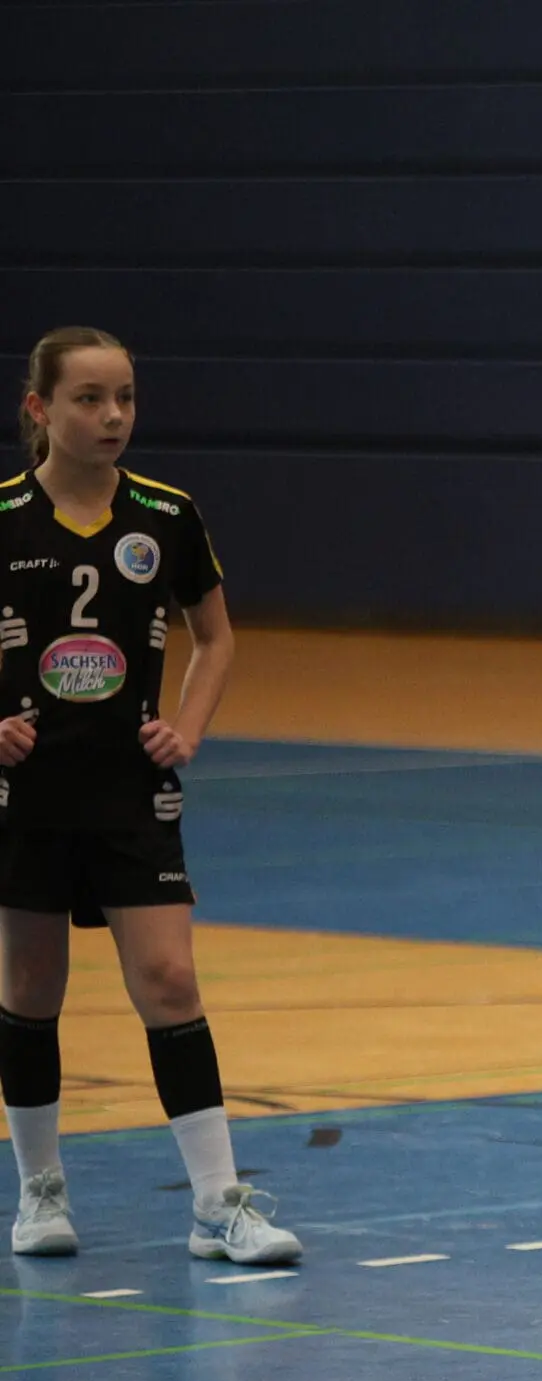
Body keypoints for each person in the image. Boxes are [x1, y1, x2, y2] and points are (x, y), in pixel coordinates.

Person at [3, 326, 298, 1264]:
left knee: (169, 980)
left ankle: (218, 1205)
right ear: (40, 408)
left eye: (125, 397)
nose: (113, 416)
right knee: (31, 987)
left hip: (132, 790)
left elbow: (215, 637)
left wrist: (189, 727)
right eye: (89, 398)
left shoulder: (166, 514)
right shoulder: (5, 515)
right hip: (26, 794)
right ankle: (40, 1192)